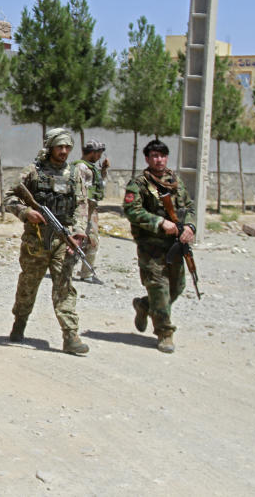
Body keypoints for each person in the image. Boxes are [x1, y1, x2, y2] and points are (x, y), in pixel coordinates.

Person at [3, 128, 89, 355]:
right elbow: (9, 197)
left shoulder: (73, 174)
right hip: (36, 240)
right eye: (59, 147)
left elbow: (81, 205)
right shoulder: (33, 172)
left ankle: (70, 336)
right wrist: (25, 212)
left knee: (64, 288)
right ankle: (19, 322)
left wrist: (79, 232)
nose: (64, 151)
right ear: (50, 147)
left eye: (67, 147)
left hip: (64, 239)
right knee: (28, 285)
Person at [123, 139, 195, 353]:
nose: (159, 159)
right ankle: (165, 333)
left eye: (162, 155)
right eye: (154, 155)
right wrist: (160, 222)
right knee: (159, 288)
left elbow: (189, 206)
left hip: (175, 245)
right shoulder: (139, 184)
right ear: (147, 159)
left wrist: (190, 226)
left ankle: (145, 305)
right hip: (151, 247)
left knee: (177, 286)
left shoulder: (175, 181)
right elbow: (132, 211)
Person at [74, 140, 108, 285]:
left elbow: (99, 187)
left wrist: (104, 171)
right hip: (83, 209)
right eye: (99, 153)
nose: (100, 156)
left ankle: (86, 273)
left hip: (91, 209)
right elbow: (79, 191)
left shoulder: (92, 168)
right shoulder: (81, 167)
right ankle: (82, 273)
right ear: (93, 153)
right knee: (81, 240)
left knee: (92, 241)